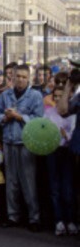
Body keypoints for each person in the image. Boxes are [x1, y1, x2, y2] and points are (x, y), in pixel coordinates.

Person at [0, 64, 44, 231]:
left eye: (24, 76)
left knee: (28, 182)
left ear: (28, 78)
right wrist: (5, 118)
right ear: (12, 77)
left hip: (26, 143)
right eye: (18, 76)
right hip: (9, 141)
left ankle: (34, 218)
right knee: (11, 181)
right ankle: (12, 215)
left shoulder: (35, 96)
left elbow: (38, 120)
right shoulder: (5, 95)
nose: (20, 79)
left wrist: (20, 116)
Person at [44, 84, 77, 235]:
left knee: (68, 187)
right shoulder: (49, 112)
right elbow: (42, 129)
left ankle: (70, 220)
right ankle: (58, 221)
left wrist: (66, 136)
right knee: (54, 187)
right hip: (52, 151)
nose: (57, 99)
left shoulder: (71, 112)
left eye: (60, 96)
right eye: (55, 96)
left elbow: (74, 132)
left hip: (67, 151)